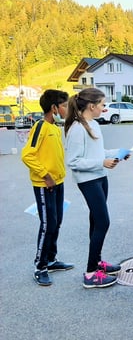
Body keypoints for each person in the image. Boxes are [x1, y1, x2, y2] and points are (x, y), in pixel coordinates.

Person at [64, 88, 125, 289]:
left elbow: (98, 152)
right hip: (88, 180)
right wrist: (101, 162)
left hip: (100, 177)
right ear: (91, 106)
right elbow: (73, 161)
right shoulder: (77, 128)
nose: (104, 108)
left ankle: (97, 262)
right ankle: (91, 274)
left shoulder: (93, 124)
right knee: (103, 222)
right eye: (102, 104)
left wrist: (117, 153)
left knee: (95, 221)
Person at [21, 89, 73, 286]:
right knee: (47, 224)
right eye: (64, 106)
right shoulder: (40, 126)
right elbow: (27, 155)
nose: (67, 109)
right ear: (54, 108)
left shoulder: (54, 128)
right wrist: (46, 175)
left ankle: (51, 259)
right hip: (45, 184)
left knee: (56, 221)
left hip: (58, 182)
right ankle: (40, 266)